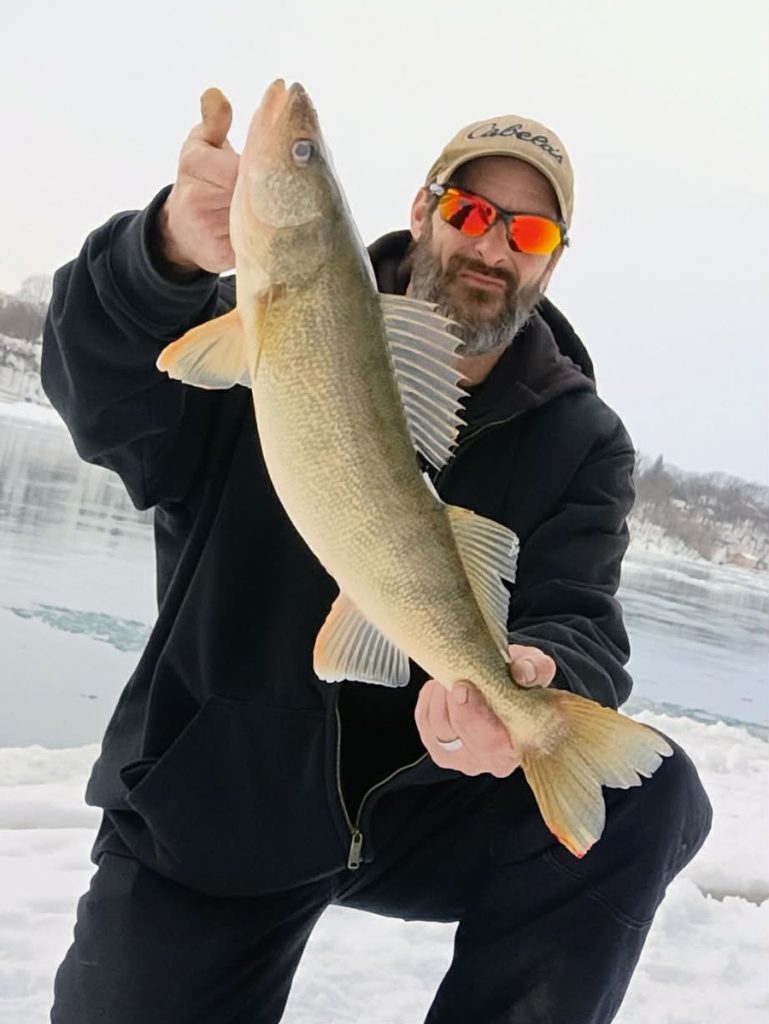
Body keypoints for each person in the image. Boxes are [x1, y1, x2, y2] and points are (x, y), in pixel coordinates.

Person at [43, 90, 712, 1024]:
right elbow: (104, 394)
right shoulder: (270, 328)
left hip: (426, 798)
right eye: (472, 214)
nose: (491, 248)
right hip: (222, 801)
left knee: (646, 796)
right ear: (420, 210)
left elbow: (578, 611)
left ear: (552, 261)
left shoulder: (582, 438)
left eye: (528, 233)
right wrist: (160, 255)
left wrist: (530, 670)